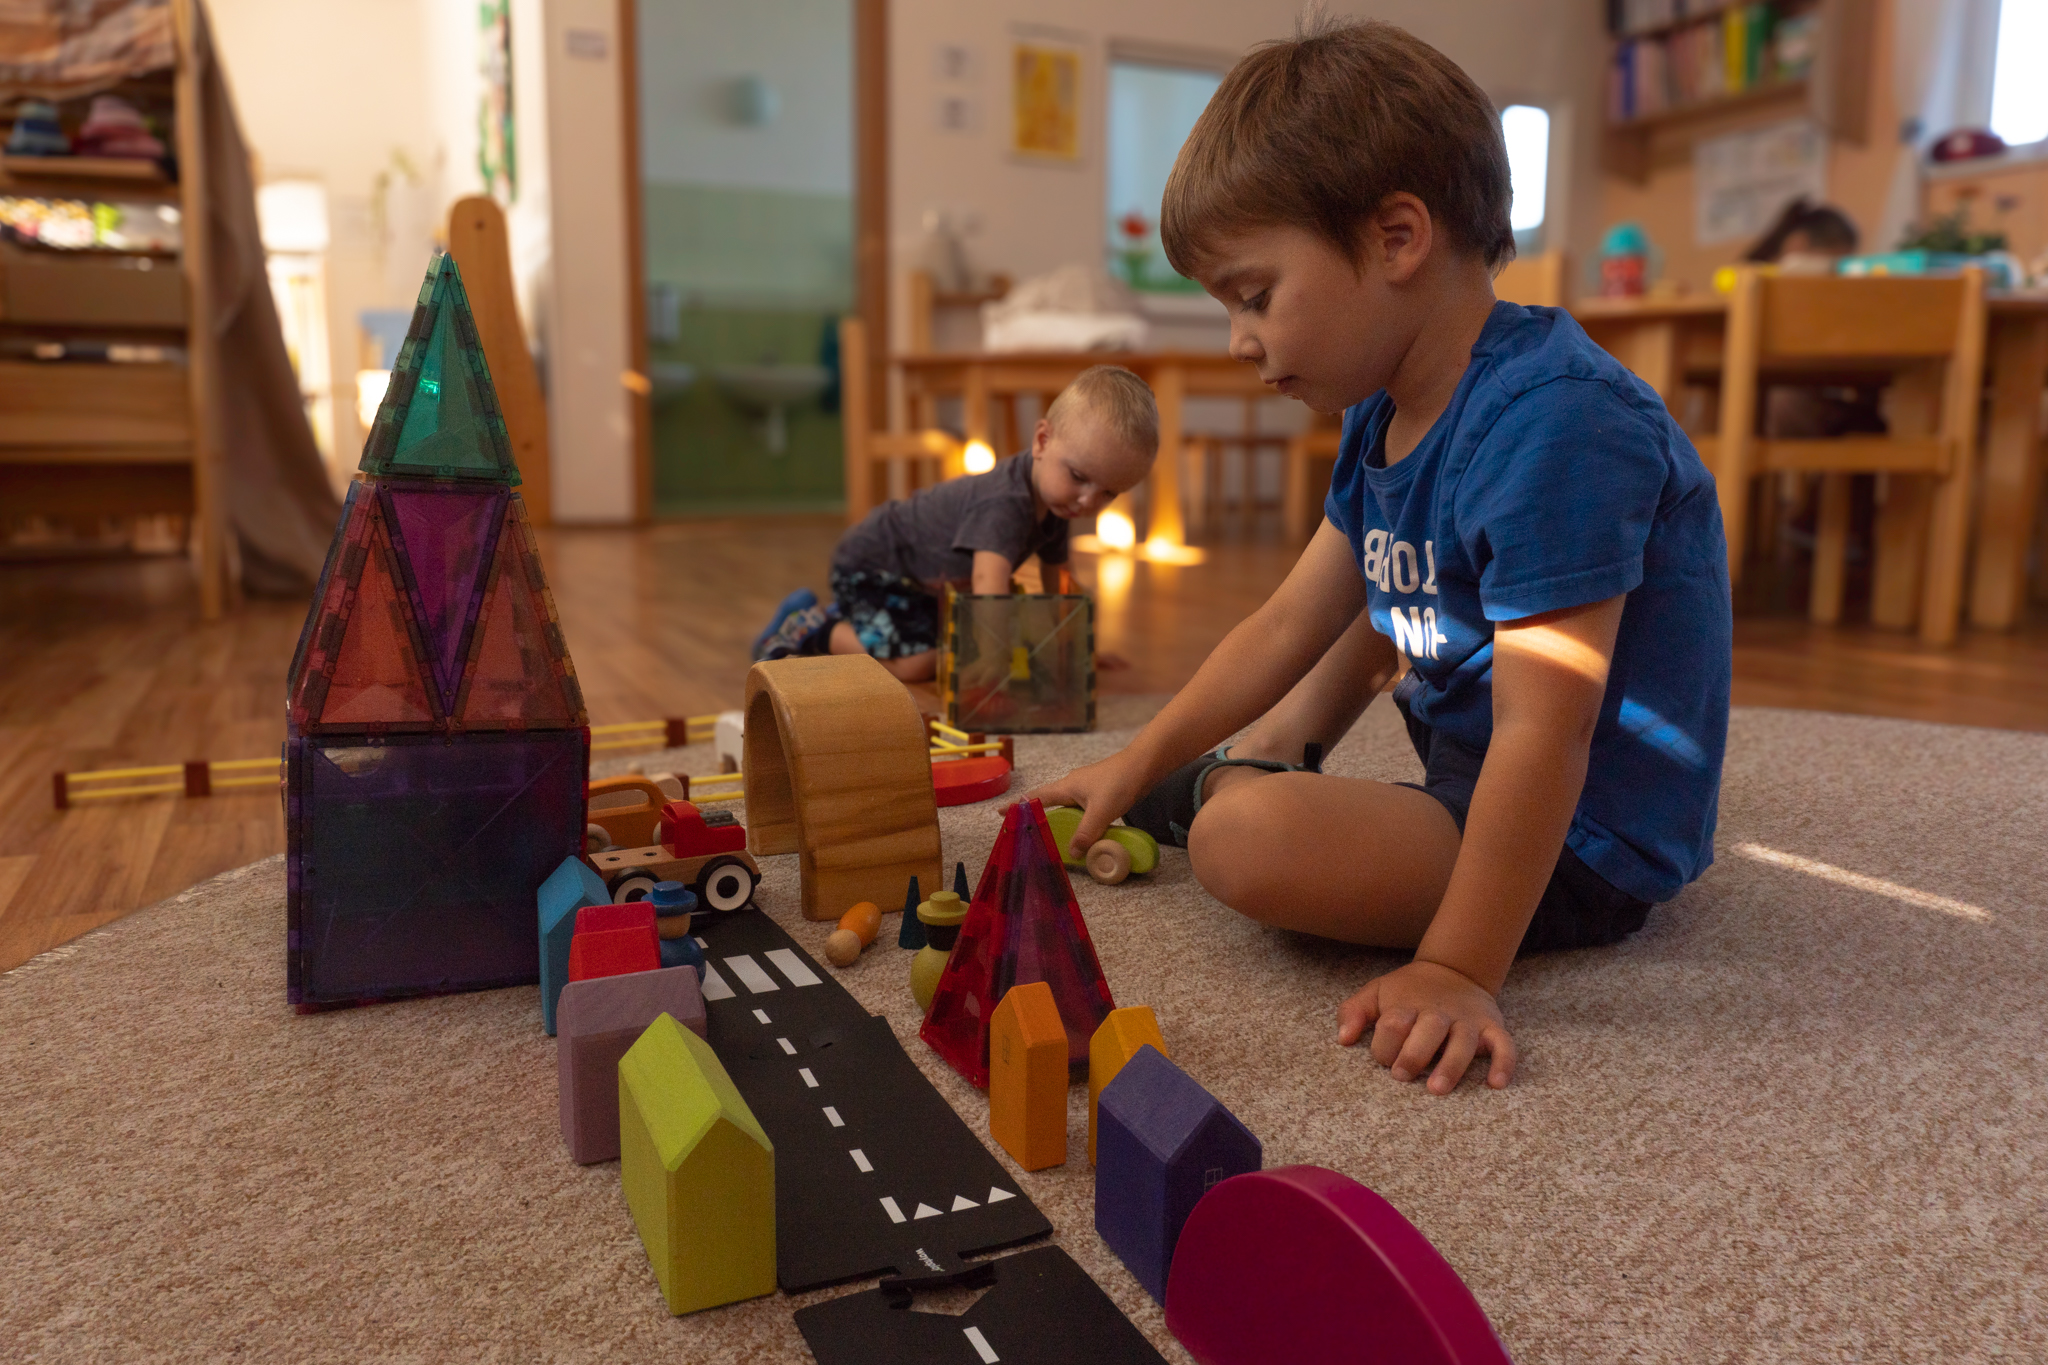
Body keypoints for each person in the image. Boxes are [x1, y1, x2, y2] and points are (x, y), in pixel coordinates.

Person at [1031, 19, 1731, 1096]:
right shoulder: (1383, 411)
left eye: (1254, 295)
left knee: (1241, 843)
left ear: (1397, 238)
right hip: (1468, 781)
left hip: (1581, 840)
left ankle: (1230, 784)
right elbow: (1287, 625)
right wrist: (1134, 763)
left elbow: (1551, 726)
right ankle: (1219, 772)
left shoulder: (1556, 423)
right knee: (1376, 586)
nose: (1236, 339)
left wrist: (1456, 966)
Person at [754, 365, 1157, 682]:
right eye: (1079, 477)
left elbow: (1061, 585)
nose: (1088, 500)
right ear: (1042, 442)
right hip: (875, 568)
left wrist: (1076, 646)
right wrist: (995, 659)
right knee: (918, 665)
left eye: (1109, 492)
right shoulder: (1006, 501)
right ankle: (810, 626)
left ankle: (850, 617)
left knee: (963, 643)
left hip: (922, 585)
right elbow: (987, 586)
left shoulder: (1058, 504)